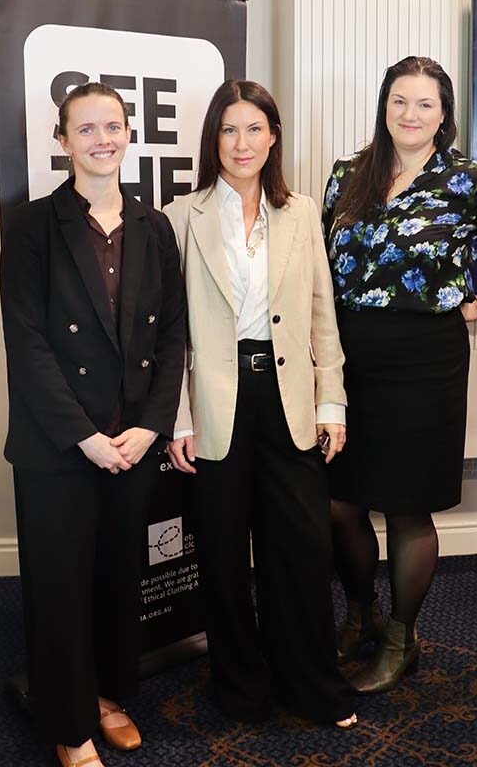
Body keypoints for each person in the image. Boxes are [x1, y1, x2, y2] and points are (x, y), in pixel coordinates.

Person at [322, 56, 477, 694]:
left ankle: (402, 640)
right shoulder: (347, 173)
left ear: (443, 114)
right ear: (384, 106)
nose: (410, 114)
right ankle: (362, 616)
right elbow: (320, 264)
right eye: (400, 100)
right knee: (339, 502)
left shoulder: (467, 179)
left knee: (406, 506)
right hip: (348, 356)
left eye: (425, 103)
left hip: (426, 359)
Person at [0, 82, 186, 767]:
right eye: (86, 129)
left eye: (113, 126)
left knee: (114, 582)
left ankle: (104, 696)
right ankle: (70, 726)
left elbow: (172, 336)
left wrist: (152, 426)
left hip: (131, 442)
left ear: (129, 133)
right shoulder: (31, 226)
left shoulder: (153, 227)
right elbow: (27, 344)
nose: (102, 140)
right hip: (59, 446)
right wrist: (85, 437)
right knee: (60, 589)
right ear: (62, 141)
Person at [164, 79, 357, 728]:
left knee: (301, 549)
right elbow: (171, 334)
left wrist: (332, 402)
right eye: (229, 129)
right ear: (212, 139)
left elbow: (321, 313)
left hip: (289, 397)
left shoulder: (301, 213)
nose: (241, 143)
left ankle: (312, 686)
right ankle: (241, 688)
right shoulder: (180, 217)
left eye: (254, 129)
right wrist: (180, 416)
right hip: (216, 401)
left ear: (273, 137)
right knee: (222, 554)